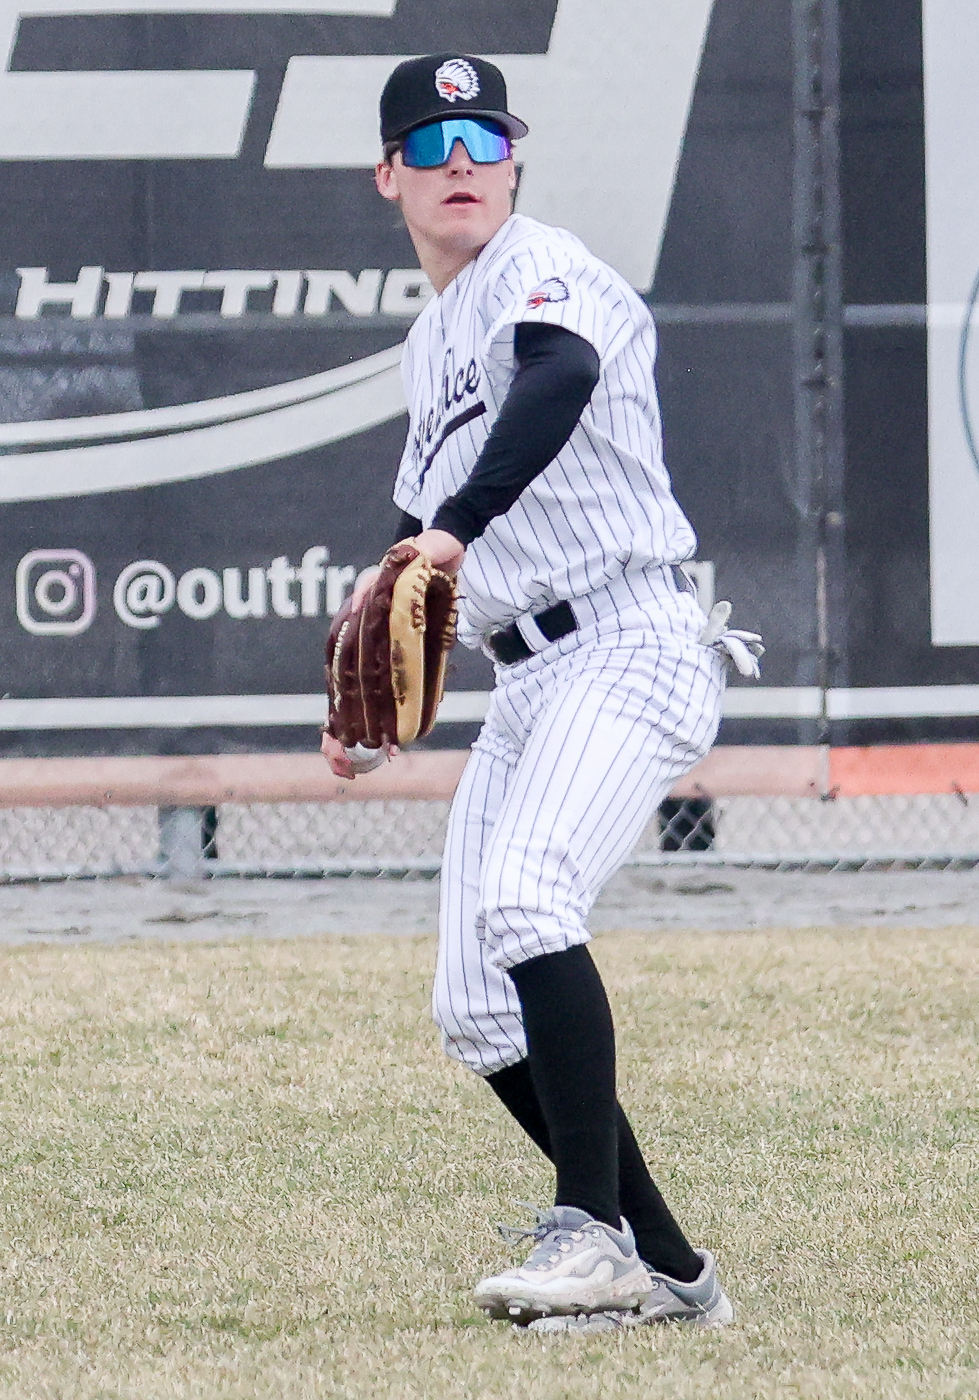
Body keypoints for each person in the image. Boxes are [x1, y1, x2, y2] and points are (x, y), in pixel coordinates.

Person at [321, 52, 738, 1331]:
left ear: (513, 166)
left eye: (484, 141)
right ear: (387, 175)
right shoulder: (429, 341)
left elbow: (555, 379)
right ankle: (669, 1268)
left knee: (526, 896)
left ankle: (587, 1230)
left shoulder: (543, 269)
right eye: (430, 144)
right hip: (531, 675)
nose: (461, 163)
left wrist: (452, 529)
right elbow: (410, 528)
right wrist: (357, 702)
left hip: (630, 634)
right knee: (471, 1002)